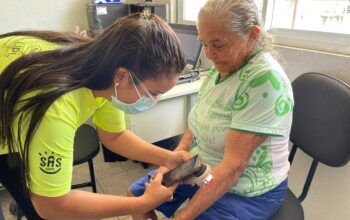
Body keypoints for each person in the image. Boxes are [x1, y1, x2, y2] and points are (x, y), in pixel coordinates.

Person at [0, 13, 191, 220]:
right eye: (153, 93)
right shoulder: (56, 107)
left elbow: (114, 136)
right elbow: (52, 205)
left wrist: (168, 157)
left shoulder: (106, 73)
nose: (154, 101)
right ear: (122, 76)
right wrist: (141, 203)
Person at [128, 0, 294, 219]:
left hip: (246, 190)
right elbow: (197, 122)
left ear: (252, 35)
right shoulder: (221, 69)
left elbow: (232, 169)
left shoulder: (264, 81)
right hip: (201, 168)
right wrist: (176, 159)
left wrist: (182, 216)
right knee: (136, 198)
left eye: (218, 44)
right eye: (204, 44)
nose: (209, 54)